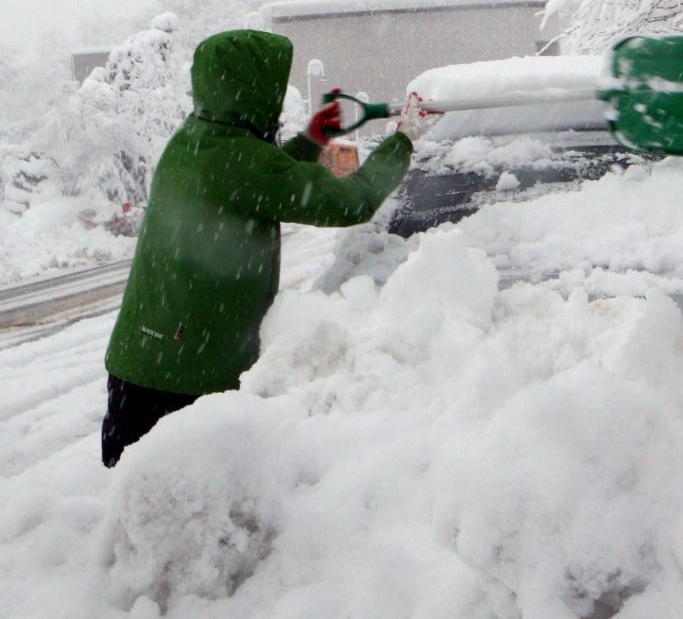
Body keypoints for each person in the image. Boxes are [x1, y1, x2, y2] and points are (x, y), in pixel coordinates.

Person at [101, 28, 438, 467]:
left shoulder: (198, 138)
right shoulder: (240, 161)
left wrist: (312, 139)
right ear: (253, 91)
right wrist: (404, 140)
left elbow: (265, 176)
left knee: (137, 500)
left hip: (141, 364)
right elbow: (349, 201)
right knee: (187, 509)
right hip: (184, 377)